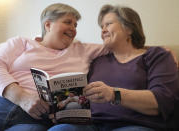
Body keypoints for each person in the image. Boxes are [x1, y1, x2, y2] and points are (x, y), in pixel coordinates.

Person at [48, 4, 179, 131]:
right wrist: (62, 111)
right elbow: (82, 97)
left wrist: (113, 94)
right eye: (102, 26)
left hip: (135, 124)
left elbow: (162, 101)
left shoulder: (157, 55)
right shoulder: (96, 60)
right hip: (91, 124)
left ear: (129, 28)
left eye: (108, 24)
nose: (103, 30)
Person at [0, 3, 108, 131]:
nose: (73, 29)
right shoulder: (22, 42)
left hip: (33, 120)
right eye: (68, 22)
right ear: (48, 25)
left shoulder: (83, 49)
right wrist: (22, 97)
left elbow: (115, 45)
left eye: (75, 25)